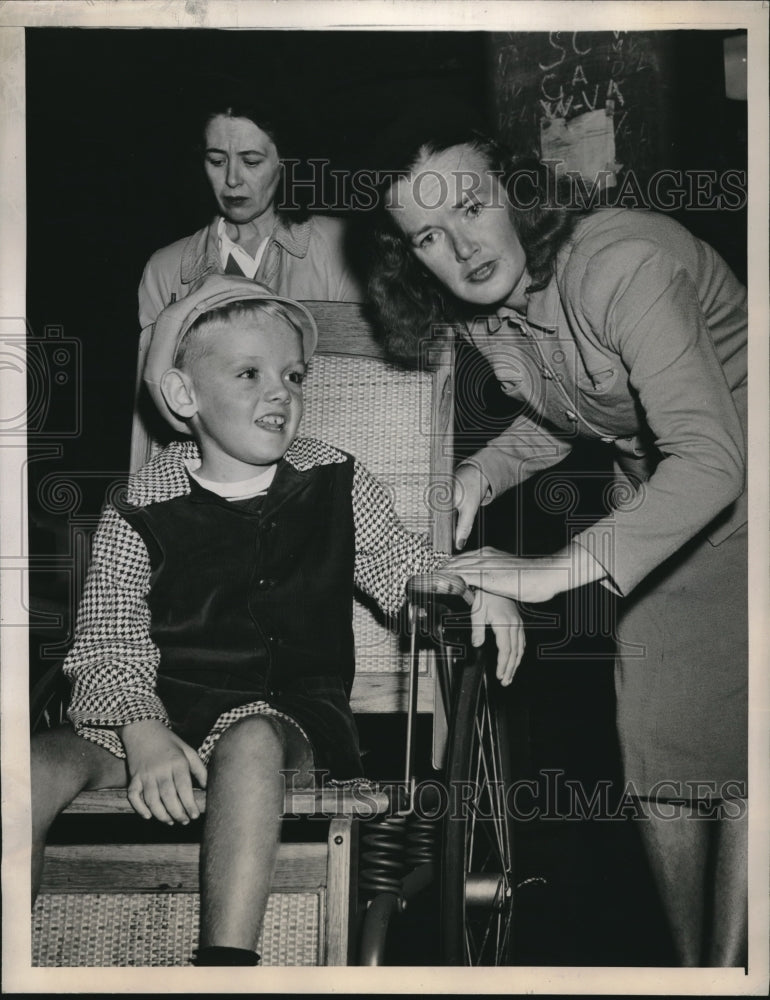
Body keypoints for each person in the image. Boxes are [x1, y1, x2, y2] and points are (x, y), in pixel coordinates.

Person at [31, 274, 524, 967]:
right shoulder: (142, 502)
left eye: (293, 374)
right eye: (249, 372)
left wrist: (472, 586)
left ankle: (225, 969)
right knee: (30, 764)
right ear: (183, 396)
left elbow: (400, 567)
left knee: (251, 741)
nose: (281, 392)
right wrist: (139, 728)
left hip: (287, 722)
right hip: (152, 719)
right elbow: (109, 635)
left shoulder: (334, 478)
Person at [368, 124, 748, 967]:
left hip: (741, 495)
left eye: (471, 206)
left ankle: (729, 979)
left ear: (518, 193)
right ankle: (695, 972)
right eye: (428, 237)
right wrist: (478, 478)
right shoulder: (486, 308)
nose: (460, 248)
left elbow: (716, 459)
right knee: (659, 755)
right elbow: (569, 413)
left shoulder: (623, 262)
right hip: (657, 517)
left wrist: (549, 573)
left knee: (745, 762)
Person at [138, 96, 362, 342]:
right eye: (217, 161)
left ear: (284, 162)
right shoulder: (164, 269)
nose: (232, 179)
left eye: (251, 162)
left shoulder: (341, 246)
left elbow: (358, 370)